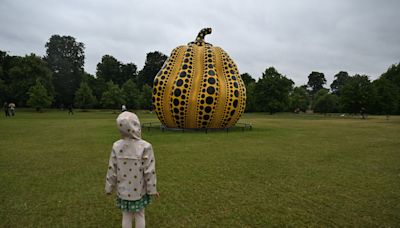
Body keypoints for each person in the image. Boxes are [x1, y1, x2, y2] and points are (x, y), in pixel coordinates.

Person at [105, 111, 159, 228]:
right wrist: (152, 189)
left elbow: (111, 168)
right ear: (136, 126)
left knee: (126, 215)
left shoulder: (116, 146)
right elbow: (149, 171)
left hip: (123, 190)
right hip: (139, 190)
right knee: (140, 214)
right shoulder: (145, 146)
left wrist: (109, 187)